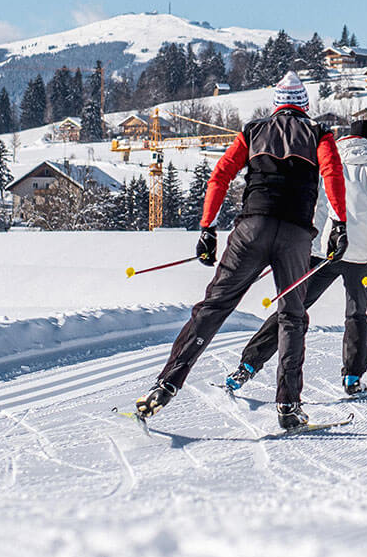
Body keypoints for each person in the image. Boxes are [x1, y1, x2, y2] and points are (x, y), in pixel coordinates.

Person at [136, 72, 346, 432]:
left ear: (276, 104)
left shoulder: (253, 130)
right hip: (295, 235)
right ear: (305, 105)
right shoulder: (319, 133)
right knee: (292, 317)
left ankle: (166, 384)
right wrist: (339, 224)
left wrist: (207, 228)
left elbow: (220, 176)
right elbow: (332, 175)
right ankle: (288, 405)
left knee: (214, 307)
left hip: (251, 229)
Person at [225, 118, 367, 398]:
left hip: (324, 250)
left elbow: (314, 204)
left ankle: (247, 366)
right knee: (356, 315)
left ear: (348, 139)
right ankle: (353, 378)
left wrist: (303, 241)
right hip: (363, 257)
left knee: (292, 309)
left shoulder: (328, 166)